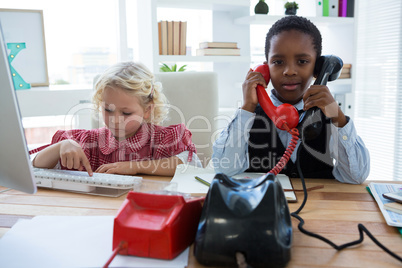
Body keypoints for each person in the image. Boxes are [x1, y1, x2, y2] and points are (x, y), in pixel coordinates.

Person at [211, 16, 370, 184]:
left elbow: (356, 176)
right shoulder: (249, 116)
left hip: (319, 207)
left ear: (318, 68)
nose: (289, 71)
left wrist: (338, 117)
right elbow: (224, 170)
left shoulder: (329, 116)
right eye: (278, 62)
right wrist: (247, 108)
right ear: (266, 69)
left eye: (302, 61)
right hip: (263, 205)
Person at [32, 62, 201, 176]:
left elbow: (192, 165)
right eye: (107, 109)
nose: (115, 120)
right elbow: (35, 165)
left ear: (148, 110)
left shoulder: (163, 139)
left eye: (126, 113)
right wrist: (61, 146)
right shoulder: (89, 142)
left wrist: (134, 167)